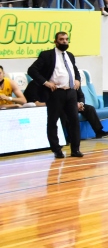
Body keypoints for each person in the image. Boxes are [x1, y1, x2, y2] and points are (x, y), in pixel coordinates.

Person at [28, 31, 84, 159]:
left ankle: (75, 149)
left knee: (74, 121)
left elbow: (75, 71)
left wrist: (77, 80)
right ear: (55, 41)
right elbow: (32, 70)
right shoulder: (47, 55)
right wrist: (46, 83)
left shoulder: (70, 55)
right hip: (55, 93)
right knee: (53, 121)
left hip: (70, 92)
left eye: (66, 39)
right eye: (61, 39)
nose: (64, 41)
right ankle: (57, 149)